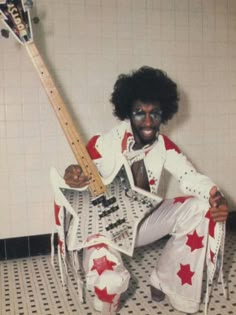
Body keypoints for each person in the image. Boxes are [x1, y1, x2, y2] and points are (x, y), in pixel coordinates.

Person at [57, 66, 228, 314]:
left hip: (142, 224)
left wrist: (216, 196)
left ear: (163, 114)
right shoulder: (104, 143)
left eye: (154, 114)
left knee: (200, 207)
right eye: (140, 114)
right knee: (110, 284)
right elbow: (81, 173)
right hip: (105, 231)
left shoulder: (164, 146)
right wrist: (74, 176)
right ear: (128, 113)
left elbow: (189, 175)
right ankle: (105, 285)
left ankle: (166, 281)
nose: (148, 122)